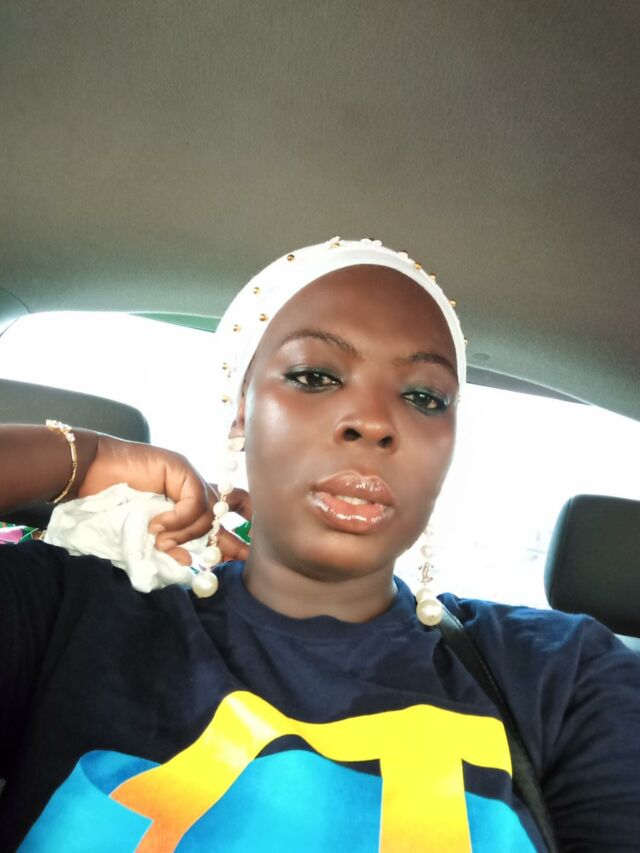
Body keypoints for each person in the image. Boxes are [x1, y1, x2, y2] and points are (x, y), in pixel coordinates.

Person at [0, 238, 638, 852]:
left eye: (424, 397)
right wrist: (82, 459)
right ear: (242, 413)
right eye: (314, 376)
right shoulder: (70, 611)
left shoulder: (563, 675)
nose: (374, 422)